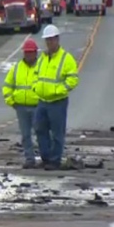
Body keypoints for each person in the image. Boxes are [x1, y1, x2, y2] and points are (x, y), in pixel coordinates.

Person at [33, 24, 79, 170]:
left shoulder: (66, 58)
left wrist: (59, 90)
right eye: (47, 40)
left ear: (57, 39)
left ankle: (55, 160)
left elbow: (73, 79)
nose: (49, 42)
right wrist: (36, 88)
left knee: (57, 133)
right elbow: (36, 75)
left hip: (57, 102)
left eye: (52, 39)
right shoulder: (43, 58)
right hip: (42, 101)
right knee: (40, 129)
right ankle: (46, 158)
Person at [2, 39, 40, 169]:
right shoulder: (16, 68)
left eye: (31, 52)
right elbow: (7, 86)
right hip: (21, 107)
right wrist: (11, 101)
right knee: (25, 135)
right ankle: (30, 159)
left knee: (41, 133)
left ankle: (46, 158)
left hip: (38, 107)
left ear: (36, 53)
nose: (29, 55)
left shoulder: (42, 67)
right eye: (26, 53)